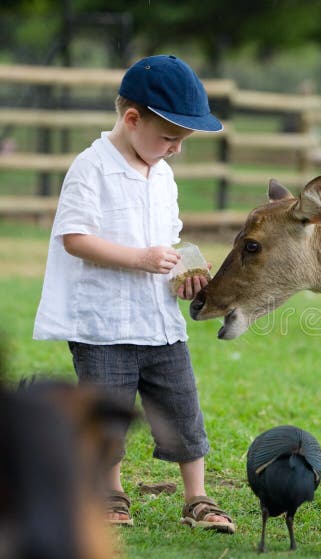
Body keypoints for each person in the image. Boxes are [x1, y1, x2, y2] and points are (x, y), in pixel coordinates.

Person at [33, 54, 235, 533]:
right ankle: (109, 492)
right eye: (170, 138)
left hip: (159, 322)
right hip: (103, 325)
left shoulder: (162, 175)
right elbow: (75, 238)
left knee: (182, 407)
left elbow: (168, 240)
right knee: (107, 414)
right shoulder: (91, 168)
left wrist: (182, 272)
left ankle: (198, 498)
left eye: (181, 142)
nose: (176, 150)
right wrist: (141, 258)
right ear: (131, 119)